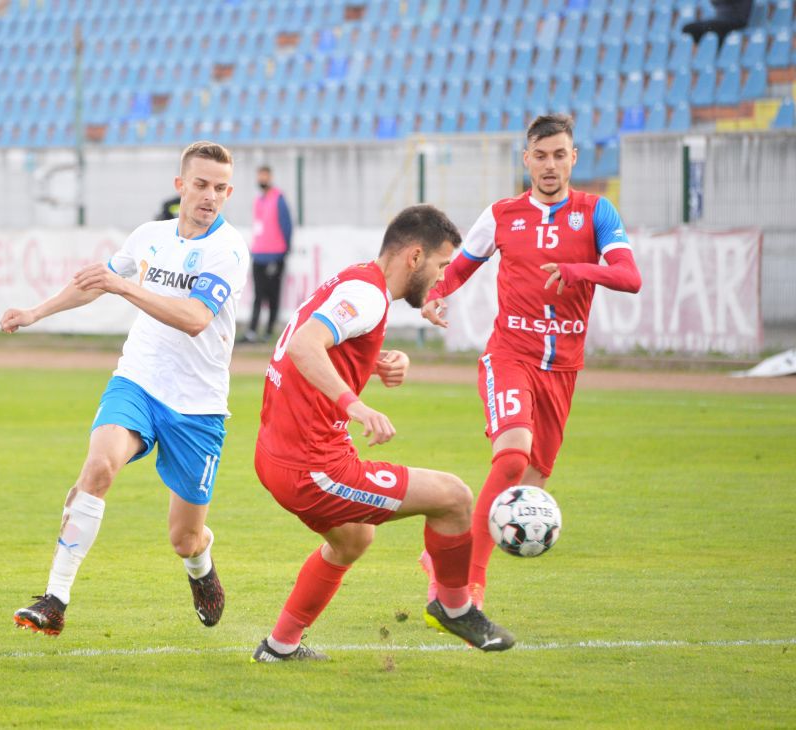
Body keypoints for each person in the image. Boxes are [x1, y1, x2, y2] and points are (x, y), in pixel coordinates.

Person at [1, 141, 250, 636]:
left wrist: (127, 287)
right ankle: (54, 599)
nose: (210, 196)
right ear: (180, 186)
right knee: (98, 467)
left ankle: (200, 566)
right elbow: (98, 281)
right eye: (200, 185)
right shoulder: (149, 236)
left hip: (197, 407)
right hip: (138, 380)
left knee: (184, 537)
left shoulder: (227, 250)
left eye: (220, 188)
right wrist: (35, 312)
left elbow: (196, 319)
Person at [251, 204, 515, 662]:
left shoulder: (357, 280)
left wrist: (372, 363)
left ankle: (280, 647)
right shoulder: (369, 296)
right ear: (414, 257)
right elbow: (303, 344)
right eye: (440, 266)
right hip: (313, 467)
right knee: (454, 498)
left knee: (353, 539)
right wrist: (354, 404)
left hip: (276, 454)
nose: (440, 278)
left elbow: (322, 341)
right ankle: (454, 607)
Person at [418, 114, 642, 611]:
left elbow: (629, 276)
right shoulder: (501, 214)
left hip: (563, 368)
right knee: (513, 456)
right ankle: (469, 590)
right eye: (540, 155)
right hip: (509, 355)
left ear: (573, 158)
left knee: (530, 484)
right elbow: (459, 266)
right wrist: (436, 295)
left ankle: (442, 561)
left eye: (559, 155)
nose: (550, 165)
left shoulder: (596, 212)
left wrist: (577, 270)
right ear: (526, 159)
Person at [242, 165, 293, 343]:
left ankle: (269, 331)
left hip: (275, 254)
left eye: (264, 176)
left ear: (270, 177)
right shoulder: (258, 200)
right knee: (258, 295)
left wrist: (284, 250)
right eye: (259, 176)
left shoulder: (278, 198)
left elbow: (287, 225)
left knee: (273, 296)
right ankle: (252, 331)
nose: (261, 180)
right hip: (259, 254)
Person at [682, 0, 753, 48]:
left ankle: (720, 53)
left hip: (737, 18)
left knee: (711, 27)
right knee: (689, 28)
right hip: (720, 18)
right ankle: (700, 58)